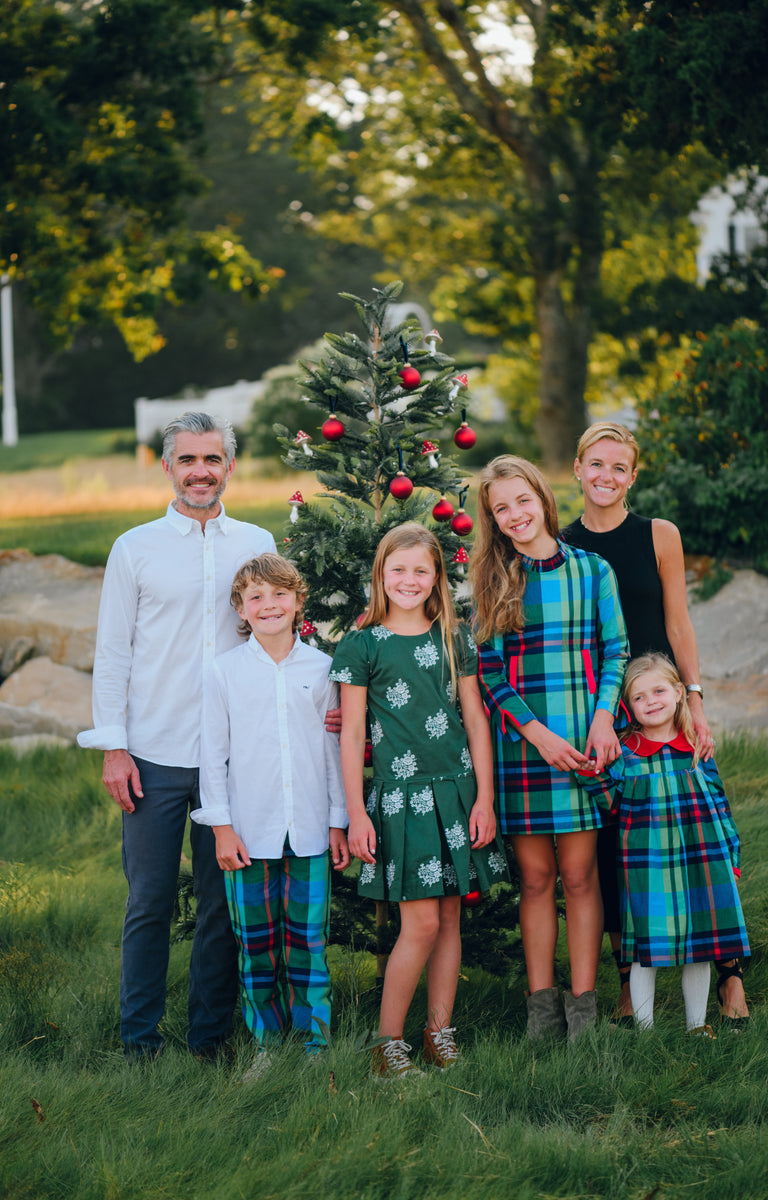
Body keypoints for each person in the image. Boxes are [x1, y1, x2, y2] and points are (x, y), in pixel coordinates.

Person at [78, 411, 283, 1061]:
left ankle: (208, 1040)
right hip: (152, 754)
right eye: (188, 460)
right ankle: (137, 1041)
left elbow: (276, 641)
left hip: (230, 756)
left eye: (213, 459)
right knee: (151, 902)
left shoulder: (257, 542)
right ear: (168, 467)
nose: (201, 471)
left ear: (230, 466)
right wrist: (115, 747)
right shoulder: (133, 548)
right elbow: (113, 654)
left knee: (223, 906)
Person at [561, 421, 749, 1024]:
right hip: (604, 711)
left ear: (633, 476)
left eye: (620, 467)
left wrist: (693, 699)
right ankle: (627, 976)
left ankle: (729, 975)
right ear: (577, 469)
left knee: (702, 833)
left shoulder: (659, 536)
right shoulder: (561, 547)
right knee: (620, 845)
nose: (606, 477)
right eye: (597, 464)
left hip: (662, 699)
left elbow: (679, 622)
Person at [330, 523, 509, 1078]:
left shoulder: (453, 637)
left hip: (456, 793)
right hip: (400, 800)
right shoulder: (361, 646)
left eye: (421, 571)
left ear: (436, 578)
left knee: (451, 917)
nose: (409, 580)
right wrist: (356, 811)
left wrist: (485, 799)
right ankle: (387, 1042)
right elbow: (353, 733)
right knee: (421, 925)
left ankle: (439, 1031)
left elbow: (476, 719)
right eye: (398, 570)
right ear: (381, 575)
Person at [471, 455, 628, 1043]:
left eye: (522, 501)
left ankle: (584, 1005)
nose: (515, 515)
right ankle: (542, 1008)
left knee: (581, 876)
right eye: (501, 508)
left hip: (586, 744)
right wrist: (535, 733)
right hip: (526, 749)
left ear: (543, 497)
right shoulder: (493, 580)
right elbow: (490, 671)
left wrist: (604, 719)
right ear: (491, 518)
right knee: (536, 880)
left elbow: (616, 649)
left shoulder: (592, 571)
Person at [190, 553, 349, 1077]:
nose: (268, 605)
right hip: (248, 832)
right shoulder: (224, 672)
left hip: (308, 830)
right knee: (255, 946)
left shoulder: (323, 669)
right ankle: (266, 1043)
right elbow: (213, 755)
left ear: (299, 601)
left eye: (279, 594)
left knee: (307, 942)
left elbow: (331, 754)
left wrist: (337, 820)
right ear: (240, 607)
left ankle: (314, 1044)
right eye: (255, 597)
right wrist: (221, 826)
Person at [576, 653, 750, 1036]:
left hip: (698, 862)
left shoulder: (696, 748)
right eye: (639, 697)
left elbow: (720, 805)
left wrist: (731, 857)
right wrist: (591, 775)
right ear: (628, 706)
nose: (651, 701)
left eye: (658, 691)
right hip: (647, 866)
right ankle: (645, 1029)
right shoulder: (625, 754)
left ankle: (696, 1025)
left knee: (699, 945)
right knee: (644, 949)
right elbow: (612, 804)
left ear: (677, 693)